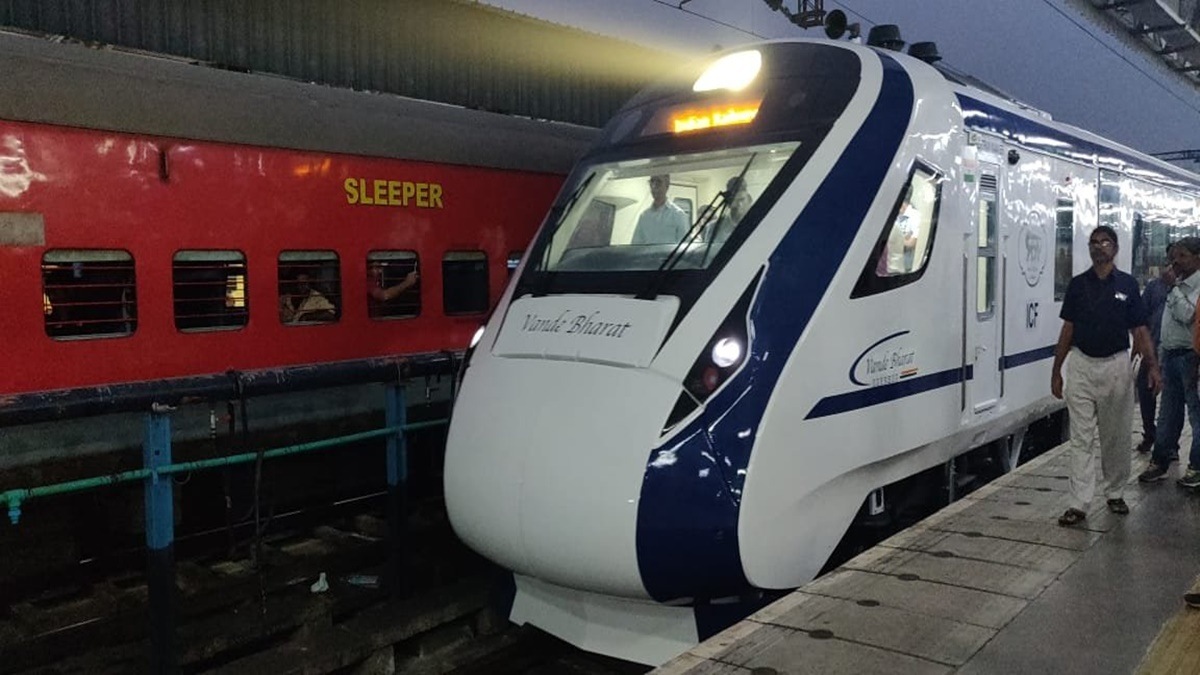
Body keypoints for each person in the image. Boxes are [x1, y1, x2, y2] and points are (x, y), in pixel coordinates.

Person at [1051, 226, 1159, 527]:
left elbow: (1140, 329)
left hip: (1115, 366)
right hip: (1081, 365)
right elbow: (1068, 329)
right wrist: (1056, 370)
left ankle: (1115, 493)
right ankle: (1078, 503)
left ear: (1115, 248)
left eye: (1105, 242)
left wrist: (1153, 366)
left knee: (1116, 436)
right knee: (1080, 438)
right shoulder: (1078, 285)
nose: (1099, 247)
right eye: (1094, 242)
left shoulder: (1128, 284)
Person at [1139, 237, 1200, 487]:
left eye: (1183, 256)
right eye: (1174, 256)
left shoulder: (1192, 286)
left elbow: (1188, 315)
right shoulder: (1175, 283)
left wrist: (1173, 288)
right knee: (1168, 413)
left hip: (1192, 356)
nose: (1176, 261)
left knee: (1196, 414)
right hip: (1171, 354)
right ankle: (1160, 461)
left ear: (1198, 258)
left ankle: (1196, 468)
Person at [1134, 257, 1173, 453]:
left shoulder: (1185, 288)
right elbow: (1141, 319)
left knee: (1172, 400)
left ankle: (1170, 444)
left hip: (1175, 352)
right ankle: (1149, 433)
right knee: (1145, 390)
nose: (1169, 269)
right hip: (1153, 349)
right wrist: (1139, 347)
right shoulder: (1153, 288)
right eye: (1167, 264)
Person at [631, 174, 688, 245]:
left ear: (667, 186)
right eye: (652, 182)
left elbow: (685, 246)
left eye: (658, 182)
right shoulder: (644, 217)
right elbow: (635, 245)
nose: (654, 186)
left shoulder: (678, 215)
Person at [709, 176, 752, 244]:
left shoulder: (759, 224)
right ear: (728, 203)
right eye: (735, 200)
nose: (739, 204)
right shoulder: (714, 228)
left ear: (749, 200)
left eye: (742, 199)